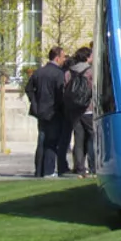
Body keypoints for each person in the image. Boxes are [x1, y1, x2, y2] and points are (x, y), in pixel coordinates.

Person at [25, 46, 67, 178]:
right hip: (53, 112)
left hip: (41, 111)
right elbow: (61, 93)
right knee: (51, 142)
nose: (64, 60)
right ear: (57, 58)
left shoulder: (39, 72)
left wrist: (35, 103)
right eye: (63, 57)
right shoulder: (58, 74)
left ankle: (39, 170)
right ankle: (48, 170)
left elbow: (29, 89)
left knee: (42, 141)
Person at [66, 46, 96, 178]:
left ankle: (79, 167)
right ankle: (93, 166)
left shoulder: (69, 72)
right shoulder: (91, 71)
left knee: (78, 139)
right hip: (88, 108)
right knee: (92, 137)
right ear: (87, 57)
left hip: (74, 110)